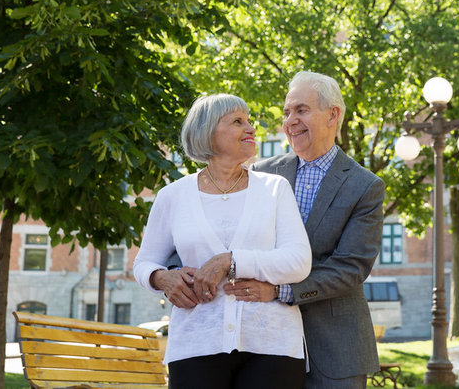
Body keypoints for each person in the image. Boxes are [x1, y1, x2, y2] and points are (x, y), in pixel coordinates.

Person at [133, 94, 312, 389]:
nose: (251, 128)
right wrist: (161, 278)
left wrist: (231, 261)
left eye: (250, 121)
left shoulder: (275, 188)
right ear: (208, 132)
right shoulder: (173, 196)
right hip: (195, 343)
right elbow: (144, 263)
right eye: (238, 122)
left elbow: (298, 262)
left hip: (272, 344)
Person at [224, 71, 385, 389]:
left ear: (332, 115)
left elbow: (350, 267)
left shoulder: (365, 186)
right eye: (286, 112)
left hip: (335, 348)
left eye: (301, 110)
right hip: (264, 344)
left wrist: (280, 291)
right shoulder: (259, 174)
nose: (290, 121)